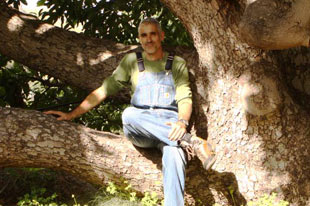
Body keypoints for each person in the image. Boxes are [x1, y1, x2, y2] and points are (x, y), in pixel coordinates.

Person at [45, 17, 215, 206]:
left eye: (153, 34)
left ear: (161, 36)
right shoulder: (132, 61)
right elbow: (103, 90)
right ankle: (190, 142)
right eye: (144, 35)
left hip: (170, 126)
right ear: (139, 39)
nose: (148, 39)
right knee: (129, 114)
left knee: (175, 154)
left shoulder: (176, 63)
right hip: (141, 127)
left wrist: (182, 122)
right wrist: (71, 115)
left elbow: (185, 98)